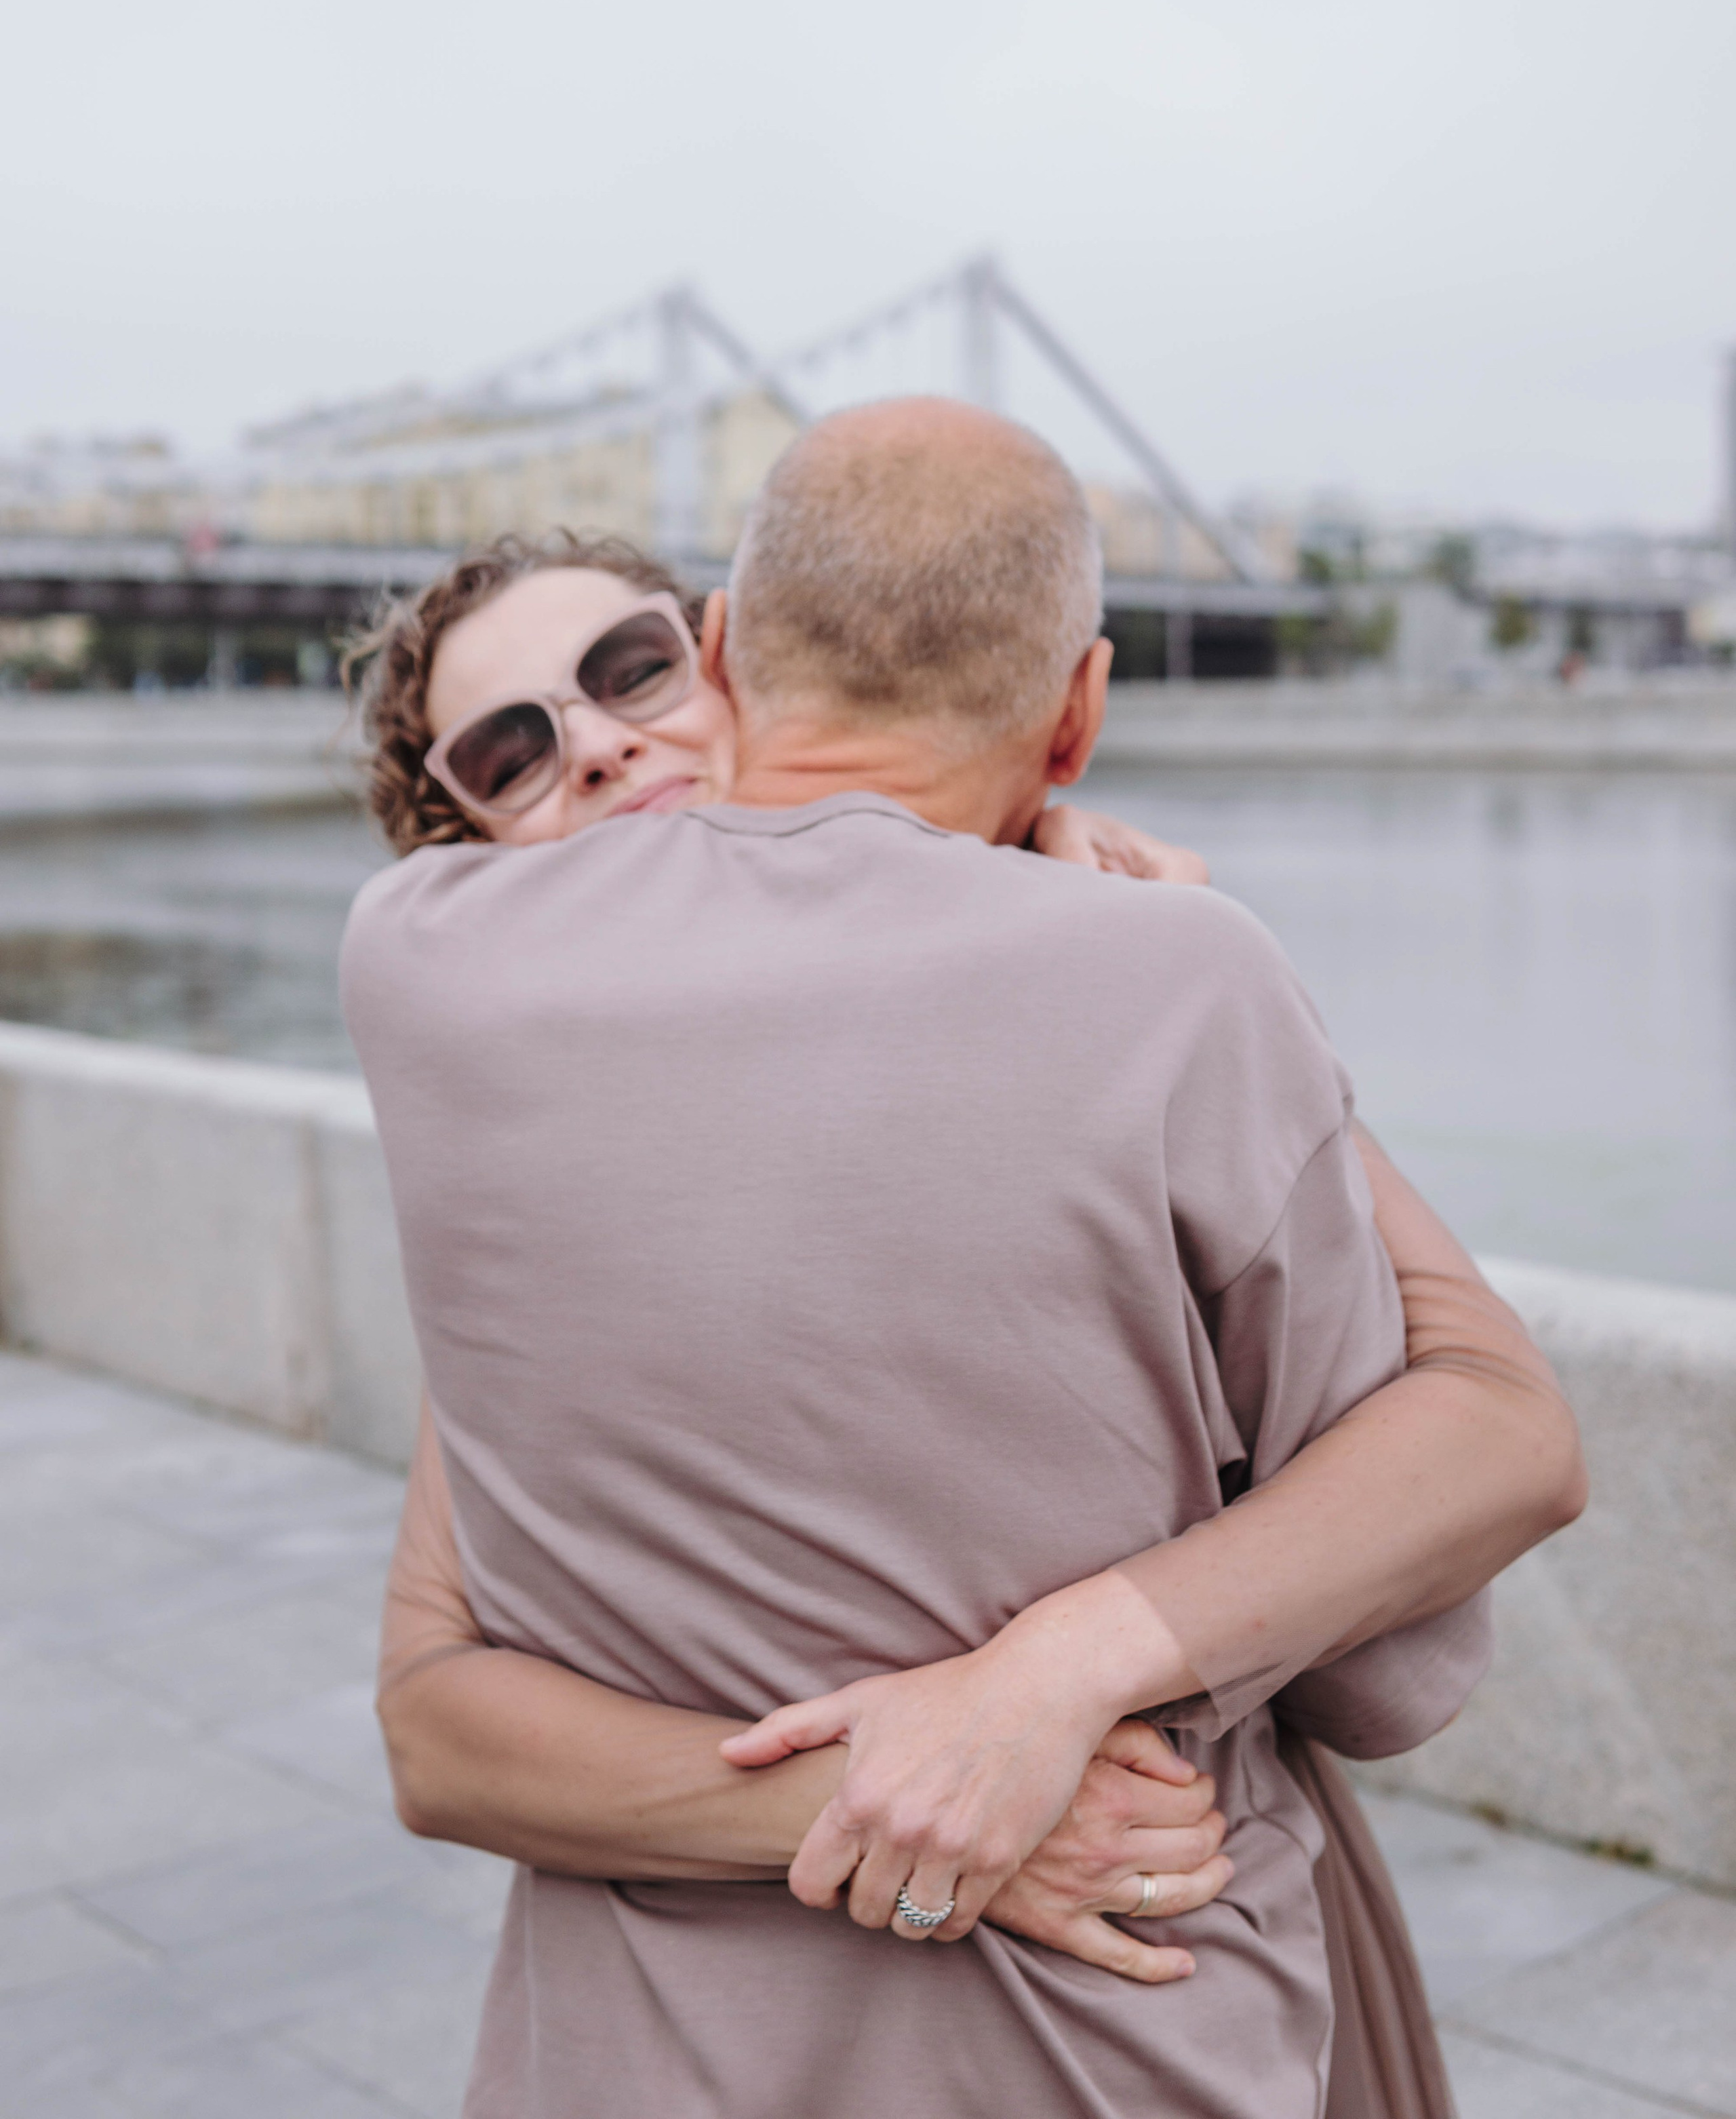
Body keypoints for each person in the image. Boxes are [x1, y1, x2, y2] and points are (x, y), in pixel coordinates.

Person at [342, 410, 1583, 2118]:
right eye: (510, 754)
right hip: (1113, 1993)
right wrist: (960, 1780)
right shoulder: (1169, 980)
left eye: (627, 671)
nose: (610, 752)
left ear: (722, 650)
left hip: (678, 2039)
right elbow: (442, 1729)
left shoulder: (432, 1000)